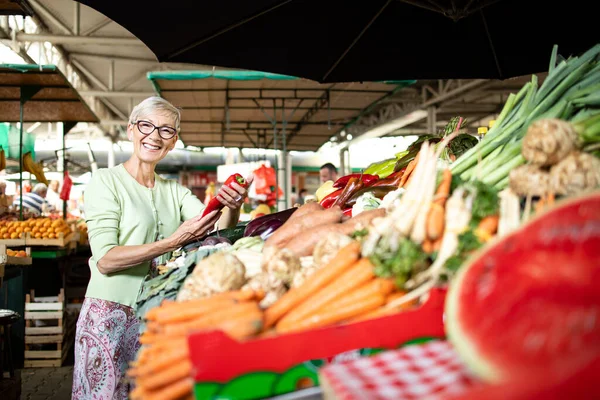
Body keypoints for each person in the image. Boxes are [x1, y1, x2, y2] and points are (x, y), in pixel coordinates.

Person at [71, 97, 253, 399]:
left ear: (173, 141)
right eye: (146, 125)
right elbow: (105, 260)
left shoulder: (174, 191)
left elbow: (218, 228)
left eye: (166, 130)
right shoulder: (106, 182)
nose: (155, 135)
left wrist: (232, 203)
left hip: (155, 317)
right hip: (108, 316)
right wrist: (173, 241)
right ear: (131, 130)